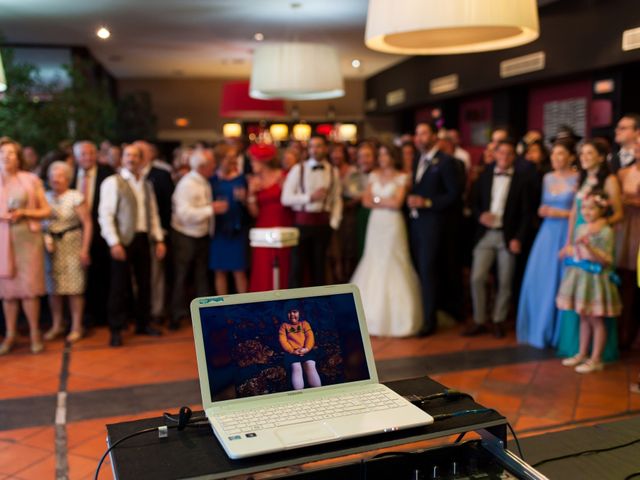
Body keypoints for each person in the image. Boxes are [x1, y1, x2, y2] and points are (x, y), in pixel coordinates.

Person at [556, 139, 623, 362]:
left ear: (601, 156)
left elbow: (618, 213)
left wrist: (598, 226)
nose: (583, 157)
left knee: (594, 303)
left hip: (596, 241)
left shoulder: (610, 179)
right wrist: (568, 241)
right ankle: (579, 350)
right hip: (578, 237)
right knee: (579, 298)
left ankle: (597, 355)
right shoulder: (581, 178)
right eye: (581, 153)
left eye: (589, 153)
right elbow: (574, 213)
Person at [465, 140, 535, 338]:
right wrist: (480, 216)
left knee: (505, 281)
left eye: (509, 153)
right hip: (485, 235)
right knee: (477, 278)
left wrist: (518, 238)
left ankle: (498, 319)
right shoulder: (483, 177)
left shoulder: (522, 180)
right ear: (495, 154)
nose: (504, 157)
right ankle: (479, 319)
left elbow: (526, 214)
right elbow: (472, 203)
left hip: (508, 236)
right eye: (501, 153)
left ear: (514, 157)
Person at [351, 144, 423, 337]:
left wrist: (376, 200)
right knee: (373, 259)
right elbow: (365, 201)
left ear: (393, 156)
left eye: (386, 154)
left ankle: (398, 319)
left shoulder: (402, 177)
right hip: (376, 223)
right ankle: (369, 315)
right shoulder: (374, 175)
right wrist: (383, 201)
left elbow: (397, 203)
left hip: (392, 224)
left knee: (394, 261)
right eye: (380, 154)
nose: (382, 158)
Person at [98, 144, 166, 347]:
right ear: (122, 158)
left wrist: (159, 239)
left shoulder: (146, 183)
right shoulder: (113, 182)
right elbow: (105, 214)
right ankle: (116, 329)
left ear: (142, 160)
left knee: (145, 283)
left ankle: (143, 323)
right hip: (123, 239)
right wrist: (114, 242)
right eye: (128, 155)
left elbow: (152, 214)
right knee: (119, 286)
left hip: (143, 238)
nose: (131, 159)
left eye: (136, 156)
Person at [517, 141, 579, 348]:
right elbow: (543, 205)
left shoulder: (577, 178)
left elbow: (580, 211)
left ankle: (559, 333)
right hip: (546, 233)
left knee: (561, 279)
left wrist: (557, 213)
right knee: (539, 279)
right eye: (553, 154)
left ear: (570, 156)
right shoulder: (547, 177)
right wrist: (543, 211)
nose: (555, 158)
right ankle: (538, 328)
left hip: (566, 232)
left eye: (560, 154)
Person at [407, 122, 461, 335]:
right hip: (416, 223)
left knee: (429, 270)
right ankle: (426, 312)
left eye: (424, 133)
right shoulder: (417, 160)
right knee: (419, 269)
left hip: (434, 224)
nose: (420, 138)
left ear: (435, 136)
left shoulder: (446, 162)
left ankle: (430, 321)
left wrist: (427, 202)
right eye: (417, 134)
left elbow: (453, 194)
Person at [0, 137, 51, 355]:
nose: (6, 156)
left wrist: (25, 213)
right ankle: (11, 334)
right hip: (2, 240)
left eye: (11, 153)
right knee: (8, 291)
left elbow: (46, 211)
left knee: (29, 290)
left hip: (27, 240)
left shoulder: (30, 180)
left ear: (18, 157)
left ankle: (34, 332)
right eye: (2, 153)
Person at [281, 135, 342, 287]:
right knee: (296, 269)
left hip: (323, 225)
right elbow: (286, 198)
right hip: (302, 224)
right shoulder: (298, 169)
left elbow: (337, 200)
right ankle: (293, 307)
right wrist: (309, 197)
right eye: (312, 146)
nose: (315, 149)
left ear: (326, 148)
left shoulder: (333, 171)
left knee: (319, 270)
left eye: (319, 146)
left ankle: (317, 308)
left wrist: (334, 223)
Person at [42, 162, 92, 343]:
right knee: (53, 289)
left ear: (68, 178)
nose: (56, 179)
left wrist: (85, 249)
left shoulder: (75, 196)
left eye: (60, 175)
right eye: (53, 175)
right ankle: (57, 324)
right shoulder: (44, 197)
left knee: (74, 288)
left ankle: (76, 326)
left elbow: (87, 223)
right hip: (50, 248)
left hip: (72, 245)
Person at [170, 150, 220, 330]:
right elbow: (184, 215)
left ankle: (202, 315)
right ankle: (176, 315)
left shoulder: (203, 181)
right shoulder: (187, 185)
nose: (215, 166)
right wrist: (211, 210)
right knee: (182, 276)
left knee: (201, 275)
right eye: (212, 163)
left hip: (202, 235)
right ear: (202, 167)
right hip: (186, 235)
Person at [72, 141, 114, 329]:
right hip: (73, 234)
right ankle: (83, 316)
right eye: (83, 154)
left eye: (90, 153)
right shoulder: (69, 175)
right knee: (78, 277)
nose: (87, 157)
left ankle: (101, 315)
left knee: (101, 274)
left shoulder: (107, 174)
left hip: (101, 233)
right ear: (76, 157)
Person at [135, 140, 174, 323]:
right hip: (134, 234)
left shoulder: (161, 174)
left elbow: (167, 206)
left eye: (141, 152)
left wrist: (162, 234)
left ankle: (156, 311)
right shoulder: (127, 176)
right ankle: (139, 311)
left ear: (151, 153)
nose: (138, 156)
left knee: (156, 275)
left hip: (157, 232)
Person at [247, 144, 293, 292]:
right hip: (263, 228)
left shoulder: (283, 177)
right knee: (263, 267)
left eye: (254, 161)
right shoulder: (254, 181)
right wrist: (251, 194)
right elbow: (254, 213)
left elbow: (291, 204)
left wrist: (286, 189)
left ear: (263, 161)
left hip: (283, 225)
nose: (251, 164)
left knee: (283, 265)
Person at [209, 144, 248, 295]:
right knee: (220, 271)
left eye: (235, 157)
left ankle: (243, 308)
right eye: (229, 158)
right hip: (218, 230)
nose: (233, 161)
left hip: (237, 229)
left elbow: (248, 207)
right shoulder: (212, 180)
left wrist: (245, 200)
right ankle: (223, 309)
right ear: (220, 159)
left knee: (239, 271)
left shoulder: (241, 179)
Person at [615, 137, 640, 349]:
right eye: (637, 143)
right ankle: (622, 333)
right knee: (625, 283)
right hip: (625, 230)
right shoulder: (623, 173)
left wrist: (632, 201)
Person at [278, 306, 321, 390]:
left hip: (305, 349)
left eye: (294, 311)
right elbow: (282, 340)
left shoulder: (304, 324)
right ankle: (299, 393)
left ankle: (318, 391)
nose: (291, 314)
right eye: (289, 312)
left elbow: (310, 337)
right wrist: (291, 351)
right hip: (292, 352)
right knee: (296, 367)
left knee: (310, 365)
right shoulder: (284, 326)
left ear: (300, 313)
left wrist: (307, 348)